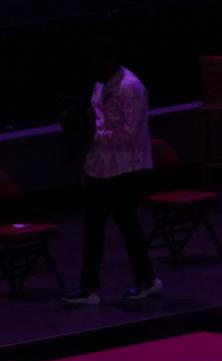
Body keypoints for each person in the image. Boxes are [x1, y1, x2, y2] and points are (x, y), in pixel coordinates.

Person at [62, 45, 161, 306]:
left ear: (110, 60)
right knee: (92, 228)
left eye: (97, 62)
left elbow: (132, 135)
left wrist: (95, 135)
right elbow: (97, 118)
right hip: (100, 166)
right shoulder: (100, 83)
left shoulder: (131, 87)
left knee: (128, 225)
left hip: (126, 169)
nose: (93, 69)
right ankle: (88, 287)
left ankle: (146, 280)